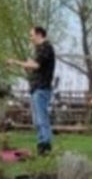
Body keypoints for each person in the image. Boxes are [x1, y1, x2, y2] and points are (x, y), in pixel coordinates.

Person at [7, 27, 56, 155]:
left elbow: (36, 65)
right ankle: (41, 144)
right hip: (35, 88)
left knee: (42, 118)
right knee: (37, 120)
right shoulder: (39, 50)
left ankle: (45, 145)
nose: (30, 38)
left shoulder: (46, 48)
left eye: (32, 35)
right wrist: (27, 65)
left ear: (39, 34)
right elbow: (35, 67)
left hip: (42, 88)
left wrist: (16, 62)